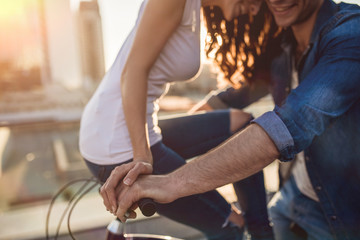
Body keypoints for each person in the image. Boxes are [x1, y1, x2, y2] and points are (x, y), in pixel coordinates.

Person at [102, 0, 360, 239]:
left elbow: (286, 127)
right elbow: (237, 94)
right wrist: (178, 137)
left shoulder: (349, 33)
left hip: (342, 217)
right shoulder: (283, 46)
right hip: (290, 200)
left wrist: (171, 183)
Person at [79, 0, 275, 239]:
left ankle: (261, 231)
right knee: (231, 226)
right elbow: (132, 72)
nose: (255, 9)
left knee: (243, 125)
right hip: (118, 142)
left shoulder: (196, 9)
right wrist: (142, 155)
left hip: (130, 127)